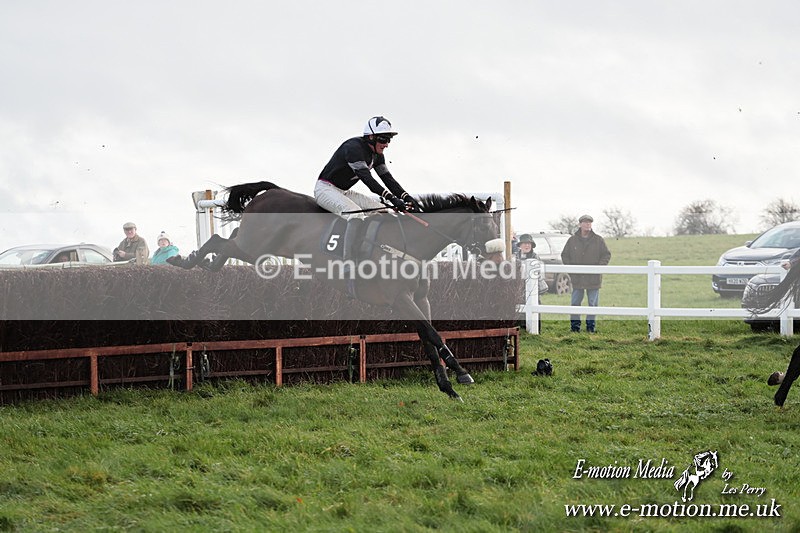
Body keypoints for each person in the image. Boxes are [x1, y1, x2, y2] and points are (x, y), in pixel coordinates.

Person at [315, 116, 422, 267]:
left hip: (344, 191)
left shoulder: (377, 155)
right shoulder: (353, 148)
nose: (387, 145)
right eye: (384, 140)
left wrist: (406, 197)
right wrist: (392, 199)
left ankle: (375, 252)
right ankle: (348, 262)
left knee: (383, 211)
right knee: (356, 214)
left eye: (389, 140)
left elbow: (387, 179)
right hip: (325, 189)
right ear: (371, 137)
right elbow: (368, 180)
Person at [561, 214, 611, 333]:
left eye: (589, 222)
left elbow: (606, 254)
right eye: (585, 222)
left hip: (593, 278)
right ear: (580, 224)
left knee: (592, 304)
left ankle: (590, 328)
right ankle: (575, 328)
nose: (587, 224)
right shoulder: (572, 240)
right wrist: (571, 270)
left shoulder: (598, 240)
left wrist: (599, 268)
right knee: (575, 303)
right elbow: (564, 255)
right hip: (577, 278)